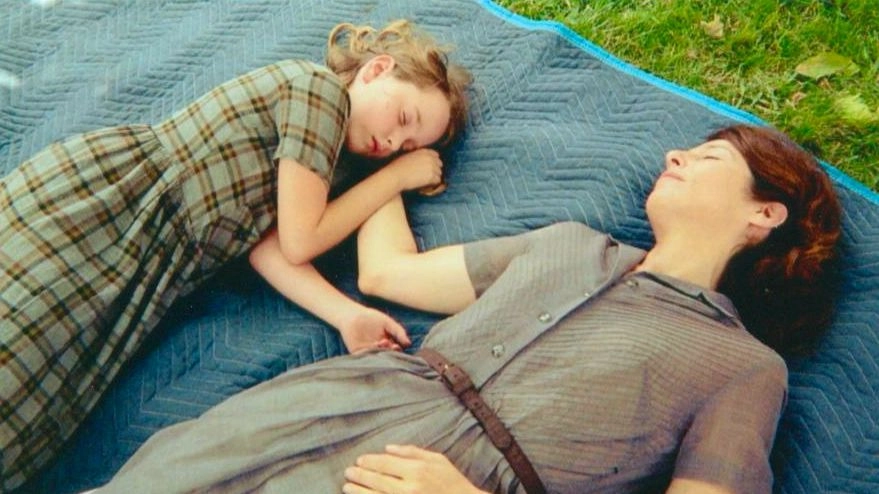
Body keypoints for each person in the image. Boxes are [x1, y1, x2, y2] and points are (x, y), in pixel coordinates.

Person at [84, 124, 841, 494]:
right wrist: (382, 162)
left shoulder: (745, 367)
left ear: (764, 214)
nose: (675, 156)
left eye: (708, 158)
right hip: (345, 397)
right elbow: (389, 273)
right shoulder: (569, 244)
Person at [0, 19, 471, 490]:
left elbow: (269, 249)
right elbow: (301, 239)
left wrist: (347, 316)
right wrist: (396, 177)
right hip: (116, 208)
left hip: (148, 256)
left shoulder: (332, 165)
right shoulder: (320, 93)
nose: (392, 144)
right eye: (403, 119)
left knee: (35, 395)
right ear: (376, 69)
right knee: (20, 338)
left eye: (406, 147)